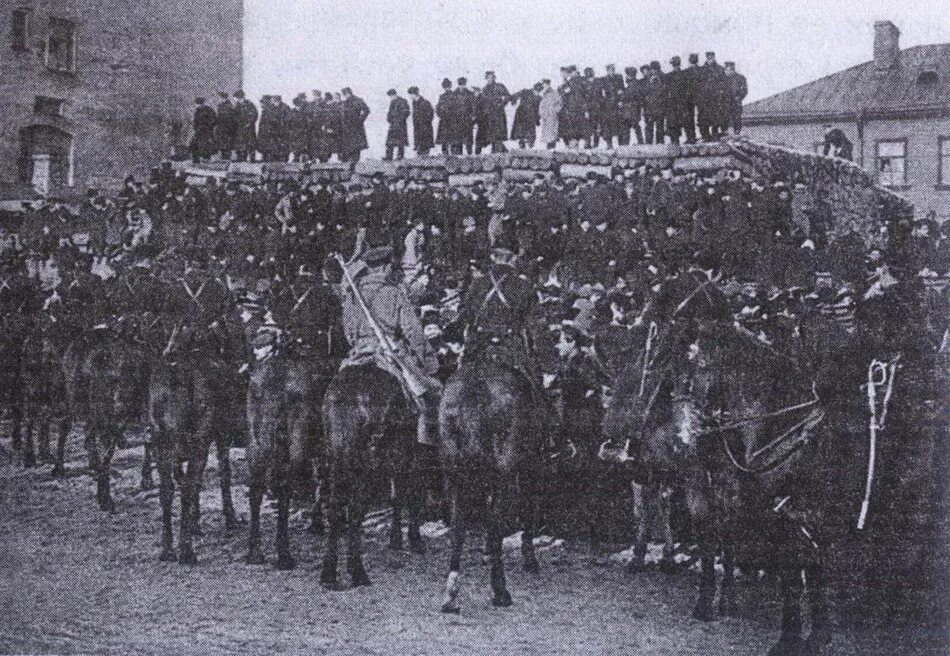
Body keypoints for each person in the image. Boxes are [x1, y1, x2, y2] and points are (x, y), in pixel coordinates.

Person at [339, 238, 441, 444]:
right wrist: (428, 361)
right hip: (389, 353)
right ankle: (425, 444)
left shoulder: (352, 296)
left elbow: (348, 333)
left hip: (358, 353)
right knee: (424, 397)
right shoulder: (394, 293)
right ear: (386, 267)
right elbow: (413, 333)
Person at [698, 51, 727, 141]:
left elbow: (724, 83)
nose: (710, 59)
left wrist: (721, 92)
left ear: (714, 57)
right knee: (704, 118)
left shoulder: (720, 69)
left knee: (716, 118)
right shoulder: (701, 70)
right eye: (708, 57)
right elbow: (698, 84)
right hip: (705, 99)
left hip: (716, 98)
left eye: (712, 57)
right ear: (706, 58)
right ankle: (705, 136)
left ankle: (715, 135)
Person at [598, 64, 627, 148]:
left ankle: (621, 145)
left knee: (619, 125)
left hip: (617, 105)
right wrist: (603, 100)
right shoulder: (603, 79)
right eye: (610, 70)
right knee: (607, 126)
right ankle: (609, 144)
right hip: (607, 106)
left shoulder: (619, 78)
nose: (611, 71)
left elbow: (622, 89)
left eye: (613, 70)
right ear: (607, 71)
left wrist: (621, 100)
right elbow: (600, 93)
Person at [664, 56, 691, 144]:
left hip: (675, 103)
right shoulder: (685, 74)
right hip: (681, 103)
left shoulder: (668, 76)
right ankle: (689, 140)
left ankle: (676, 142)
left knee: (676, 124)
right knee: (684, 122)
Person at [482, 71, 511, 153]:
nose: (490, 79)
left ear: (494, 77)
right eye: (488, 78)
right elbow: (483, 101)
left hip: (499, 113)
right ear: (486, 79)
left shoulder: (500, 86)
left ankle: (499, 151)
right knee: (491, 134)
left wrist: (502, 103)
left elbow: (508, 96)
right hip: (489, 114)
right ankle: (498, 151)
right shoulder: (484, 89)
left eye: (491, 77)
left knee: (499, 133)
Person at [339, 87, 370, 163]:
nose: (345, 96)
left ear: (349, 93)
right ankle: (350, 163)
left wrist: (360, 120)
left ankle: (354, 163)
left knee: (356, 146)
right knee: (349, 146)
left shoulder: (358, 100)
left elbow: (366, 110)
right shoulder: (345, 102)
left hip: (356, 127)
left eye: (346, 94)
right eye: (344, 94)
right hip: (347, 127)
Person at [510, 83, 542, 149]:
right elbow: (515, 95)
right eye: (536, 91)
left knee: (531, 133)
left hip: (531, 117)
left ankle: (530, 145)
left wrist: (538, 119)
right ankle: (521, 144)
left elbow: (538, 110)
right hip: (521, 115)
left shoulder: (539, 98)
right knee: (520, 132)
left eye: (538, 91)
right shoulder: (525, 91)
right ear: (533, 89)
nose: (537, 93)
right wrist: (514, 100)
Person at [641, 63, 666, 145]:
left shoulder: (662, 78)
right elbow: (643, 92)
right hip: (651, 107)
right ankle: (650, 143)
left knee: (658, 127)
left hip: (655, 107)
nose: (652, 71)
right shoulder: (647, 79)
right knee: (650, 127)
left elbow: (663, 91)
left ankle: (659, 143)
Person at [384, 89, 411, 161]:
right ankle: (389, 156)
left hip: (400, 125)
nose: (391, 97)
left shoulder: (402, 101)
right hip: (393, 124)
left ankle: (400, 156)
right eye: (390, 96)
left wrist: (399, 120)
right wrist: (389, 119)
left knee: (400, 142)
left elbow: (406, 112)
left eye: (391, 96)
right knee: (390, 142)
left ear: (395, 95)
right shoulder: (392, 102)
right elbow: (389, 113)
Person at [233, 91, 259, 162]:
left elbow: (255, 115)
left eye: (237, 98)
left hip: (249, 129)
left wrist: (249, 123)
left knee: (250, 144)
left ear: (241, 97)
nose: (236, 100)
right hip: (241, 128)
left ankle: (252, 160)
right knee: (241, 145)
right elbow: (235, 116)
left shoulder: (249, 104)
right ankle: (241, 159)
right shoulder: (237, 105)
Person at [409, 86, 434, 156]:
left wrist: (425, 123)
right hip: (417, 128)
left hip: (425, 128)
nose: (410, 96)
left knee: (425, 146)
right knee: (419, 147)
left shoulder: (425, 102)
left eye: (411, 94)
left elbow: (431, 114)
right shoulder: (414, 103)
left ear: (414, 94)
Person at [723, 62, 748, 135]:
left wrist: (739, 97)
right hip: (725, 101)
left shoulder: (740, 77)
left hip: (736, 101)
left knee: (737, 117)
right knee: (724, 116)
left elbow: (745, 90)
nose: (730, 68)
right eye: (728, 67)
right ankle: (725, 132)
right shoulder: (722, 78)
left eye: (731, 67)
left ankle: (737, 132)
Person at [621, 67, 644, 145]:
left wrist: (622, 95)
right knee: (630, 127)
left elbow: (634, 97)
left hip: (632, 110)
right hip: (629, 110)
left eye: (628, 75)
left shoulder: (634, 85)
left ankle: (637, 143)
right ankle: (638, 143)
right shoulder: (632, 85)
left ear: (631, 76)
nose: (626, 77)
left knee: (632, 127)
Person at [454, 78, 477, 155]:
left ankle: (469, 155)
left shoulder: (470, 94)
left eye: (463, 84)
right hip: (457, 120)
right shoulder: (454, 94)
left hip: (467, 120)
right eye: (460, 84)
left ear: (465, 84)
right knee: (458, 140)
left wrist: (473, 116)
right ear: (458, 84)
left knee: (468, 140)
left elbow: (474, 106)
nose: (461, 86)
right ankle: (459, 157)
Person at [190, 97, 216, 163]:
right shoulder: (208, 109)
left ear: (198, 104)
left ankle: (200, 160)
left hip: (203, 131)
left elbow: (213, 120)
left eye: (196, 104)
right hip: (203, 131)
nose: (195, 105)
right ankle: (201, 160)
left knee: (201, 146)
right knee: (200, 146)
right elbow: (214, 120)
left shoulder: (201, 110)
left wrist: (206, 127)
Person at [538, 78, 562, 150]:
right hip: (546, 117)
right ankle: (549, 147)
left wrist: (554, 111)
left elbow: (560, 103)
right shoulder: (545, 94)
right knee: (548, 133)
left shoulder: (554, 93)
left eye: (544, 84)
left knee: (552, 133)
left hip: (552, 116)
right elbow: (542, 105)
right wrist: (541, 113)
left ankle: (551, 147)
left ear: (547, 84)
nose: (543, 86)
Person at [435, 78, 456, 155]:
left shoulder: (454, 95)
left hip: (452, 121)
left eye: (448, 86)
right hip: (444, 120)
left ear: (450, 86)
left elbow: (456, 108)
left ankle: (454, 155)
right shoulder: (442, 96)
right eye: (445, 87)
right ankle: (445, 154)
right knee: (444, 139)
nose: (446, 88)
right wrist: (440, 114)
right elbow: (438, 108)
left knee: (453, 139)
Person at [215, 91, 236, 160]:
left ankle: (226, 159)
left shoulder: (228, 106)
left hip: (226, 129)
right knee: (223, 145)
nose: (219, 99)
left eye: (221, 98)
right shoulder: (221, 105)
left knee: (226, 145)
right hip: (222, 128)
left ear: (223, 98)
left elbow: (230, 118)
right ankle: (224, 158)